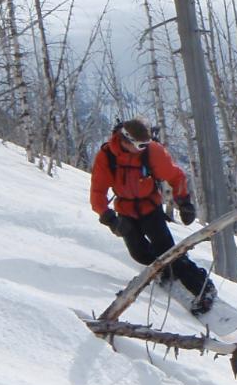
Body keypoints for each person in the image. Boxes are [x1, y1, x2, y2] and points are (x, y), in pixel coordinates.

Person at [90, 117, 216, 315]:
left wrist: (184, 202)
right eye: (140, 144)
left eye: (146, 143)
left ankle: (203, 288)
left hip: (150, 208)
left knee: (168, 251)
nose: (144, 148)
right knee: (139, 253)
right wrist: (110, 219)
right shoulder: (107, 156)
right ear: (125, 140)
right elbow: (97, 193)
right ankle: (165, 271)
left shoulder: (152, 152)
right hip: (125, 212)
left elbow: (176, 176)